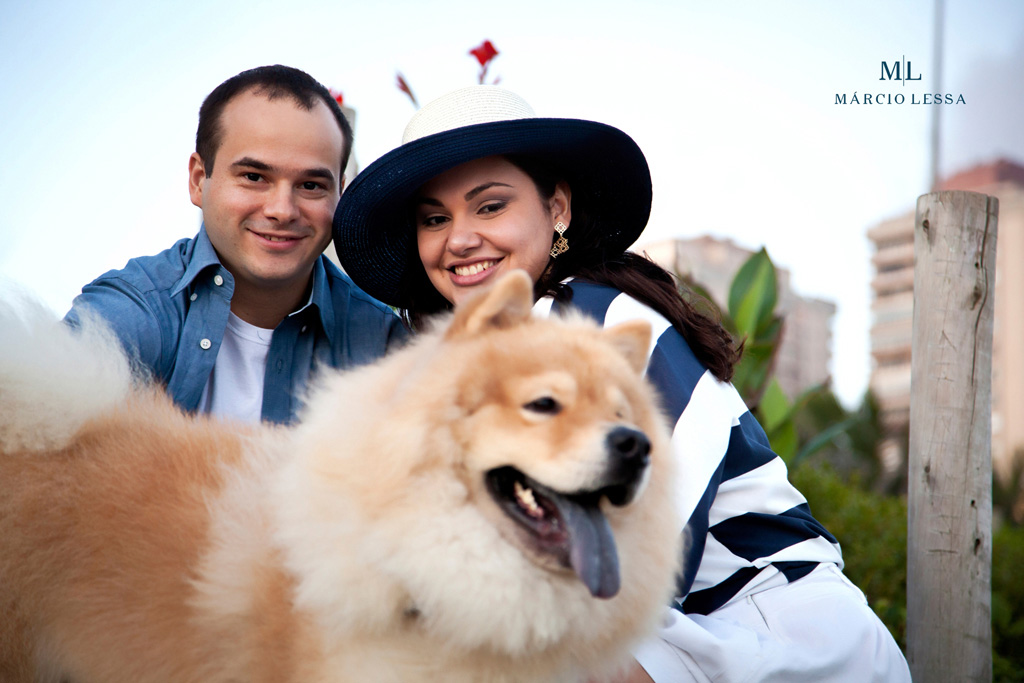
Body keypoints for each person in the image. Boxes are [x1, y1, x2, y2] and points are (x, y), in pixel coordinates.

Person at [332, 86, 912, 682]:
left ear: (557, 208)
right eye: (434, 219)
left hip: (771, 624)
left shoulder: (603, 319)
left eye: (490, 206)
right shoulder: (492, 353)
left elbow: (646, 548)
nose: (458, 239)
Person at [66, 65, 407, 425]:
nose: (282, 210)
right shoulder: (130, 316)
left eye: (311, 186)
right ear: (199, 180)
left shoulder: (383, 345)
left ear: (340, 193)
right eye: (254, 177)